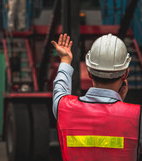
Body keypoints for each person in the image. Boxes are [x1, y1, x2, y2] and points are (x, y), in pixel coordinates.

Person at [51, 33, 142, 161]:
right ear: (125, 73)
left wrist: (65, 60)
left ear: (89, 72)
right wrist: (120, 101)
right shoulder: (137, 116)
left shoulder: (63, 107)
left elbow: (59, 88)